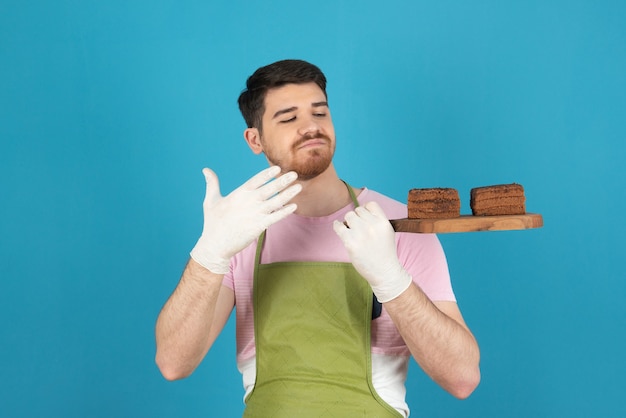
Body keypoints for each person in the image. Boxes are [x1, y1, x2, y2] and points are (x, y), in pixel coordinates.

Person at [155, 59, 480, 417]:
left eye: (320, 113)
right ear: (255, 139)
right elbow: (173, 363)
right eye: (289, 118)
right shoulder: (239, 232)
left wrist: (393, 281)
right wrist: (210, 251)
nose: (310, 127)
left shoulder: (397, 225)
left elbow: (462, 378)